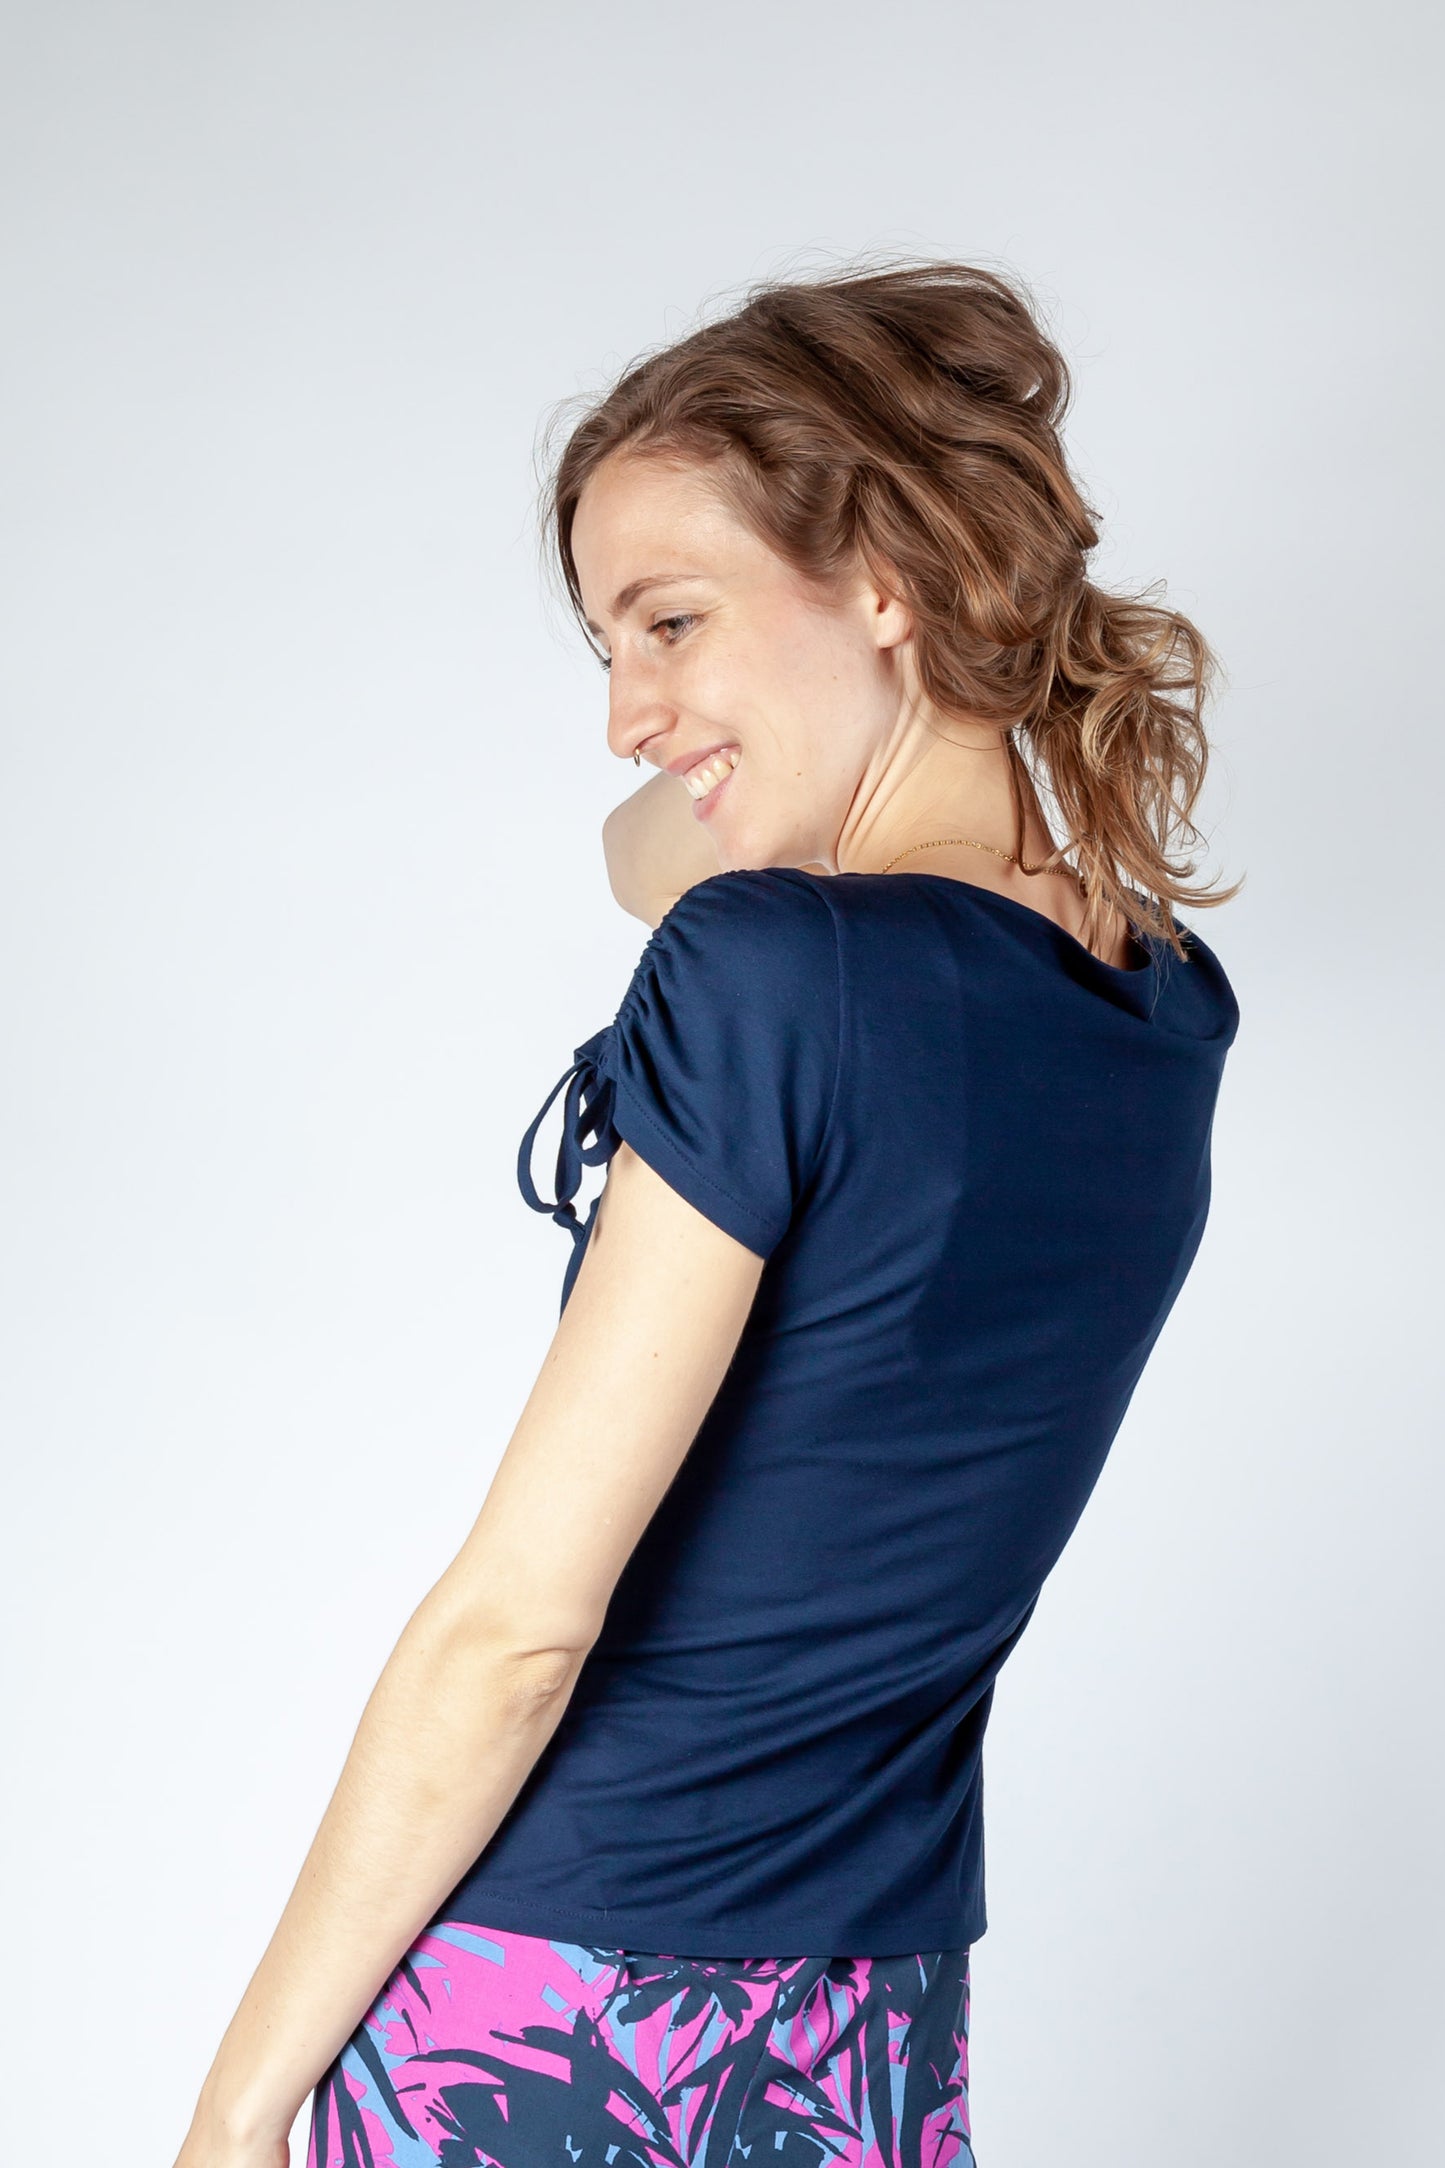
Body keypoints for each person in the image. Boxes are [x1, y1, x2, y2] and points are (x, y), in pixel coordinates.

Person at [172, 258, 1241, 2168]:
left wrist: (236, 2108)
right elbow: (640, 852)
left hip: (558, 2015)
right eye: (603, 647)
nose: (625, 716)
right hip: (871, 2027)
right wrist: (774, 741)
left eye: (669, 621)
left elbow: (515, 1634)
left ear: (890, 576)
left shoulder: (779, 970)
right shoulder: (1157, 1002)